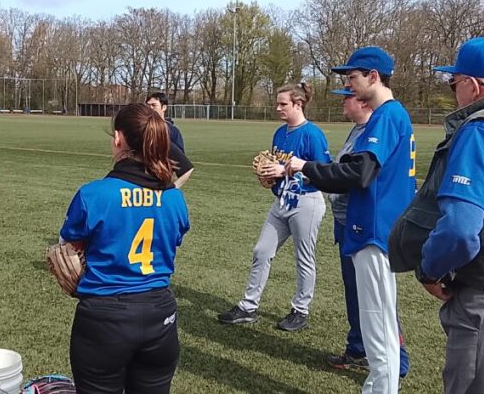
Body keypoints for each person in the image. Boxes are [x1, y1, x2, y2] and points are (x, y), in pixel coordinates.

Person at [287, 47, 415, 394]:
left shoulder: (386, 115)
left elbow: (360, 173)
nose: (348, 84)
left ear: (374, 76)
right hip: (376, 226)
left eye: (353, 77)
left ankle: (381, 389)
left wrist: (305, 166)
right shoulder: (390, 115)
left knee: (378, 323)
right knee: (378, 321)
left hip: (374, 228)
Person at [58, 102, 191, 394]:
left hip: (104, 319)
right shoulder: (175, 198)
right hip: (160, 316)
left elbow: (69, 246)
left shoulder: (93, 194)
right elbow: (171, 240)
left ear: (119, 138)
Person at [392, 37, 484, 393]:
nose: (454, 92)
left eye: (454, 83)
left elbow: (460, 230)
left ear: (473, 85)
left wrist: (430, 269)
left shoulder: (482, 129)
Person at [218, 82, 330, 331]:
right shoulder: (280, 133)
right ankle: (248, 307)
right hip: (281, 201)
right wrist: (270, 177)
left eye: (283, 104)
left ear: (298, 104)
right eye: (277, 103)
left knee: (304, 258)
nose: (278, 108)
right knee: (261, 251)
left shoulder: (312, 134)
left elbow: (324, 172)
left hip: (306, 202)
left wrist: (286, 171)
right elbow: (277, 170)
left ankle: (300, 310)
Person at [325, 87, 410, 379]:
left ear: (363, 102)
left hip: (364, 223)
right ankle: (358, 348)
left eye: (347, 96)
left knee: (378, 300)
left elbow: (356, 176)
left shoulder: (378, 128)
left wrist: (308, 170)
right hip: (347, 222)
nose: (343, 101)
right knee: (357, 293)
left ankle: (396, 361)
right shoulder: (359, 130)